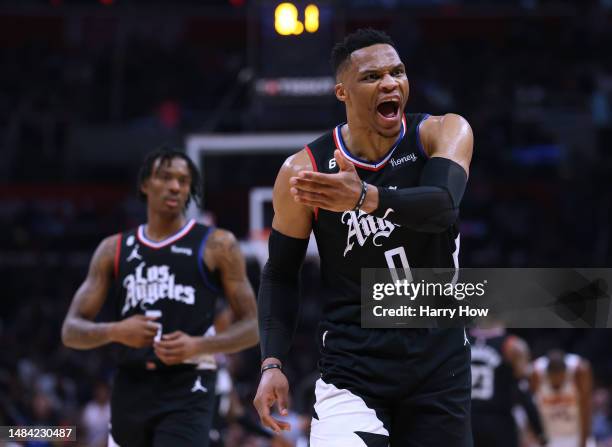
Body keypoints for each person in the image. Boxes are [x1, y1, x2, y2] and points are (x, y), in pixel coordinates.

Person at [253, 28, 474, 446]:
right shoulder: (305, 170)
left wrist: (365, 197)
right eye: (373, 77)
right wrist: (271, 363)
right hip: (353, 364)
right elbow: (281, 273)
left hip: (437, 360)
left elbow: (443, 206)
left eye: (398, 72)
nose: (390, 83)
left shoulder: (441, 134)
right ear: (343, 92)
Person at [61, 148, 259, 447]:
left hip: (189, 383)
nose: (176, 186)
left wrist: (199, 345)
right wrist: (116, 330)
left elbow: (254, 327)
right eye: (165, 177)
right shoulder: (113, 249)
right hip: (131, 384)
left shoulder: (217, 244)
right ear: (144, 184)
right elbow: (71, 330)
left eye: (183, 180)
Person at [470, 324, 546, 447]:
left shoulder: (460, 341)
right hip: (499, 422)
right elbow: (523, 389)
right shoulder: (512, 345)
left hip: (467, 421)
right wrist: (540, 430)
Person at [531, 350, 595, 447]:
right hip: (549, 435)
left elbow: (586, 408)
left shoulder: (579, 371)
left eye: (560, 380)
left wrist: (584, 441)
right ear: (547, 375)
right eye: (554, 381)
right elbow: (530, 409)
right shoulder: (535, 373)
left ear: (566, 373)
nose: (557, 385)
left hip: (575, 433)